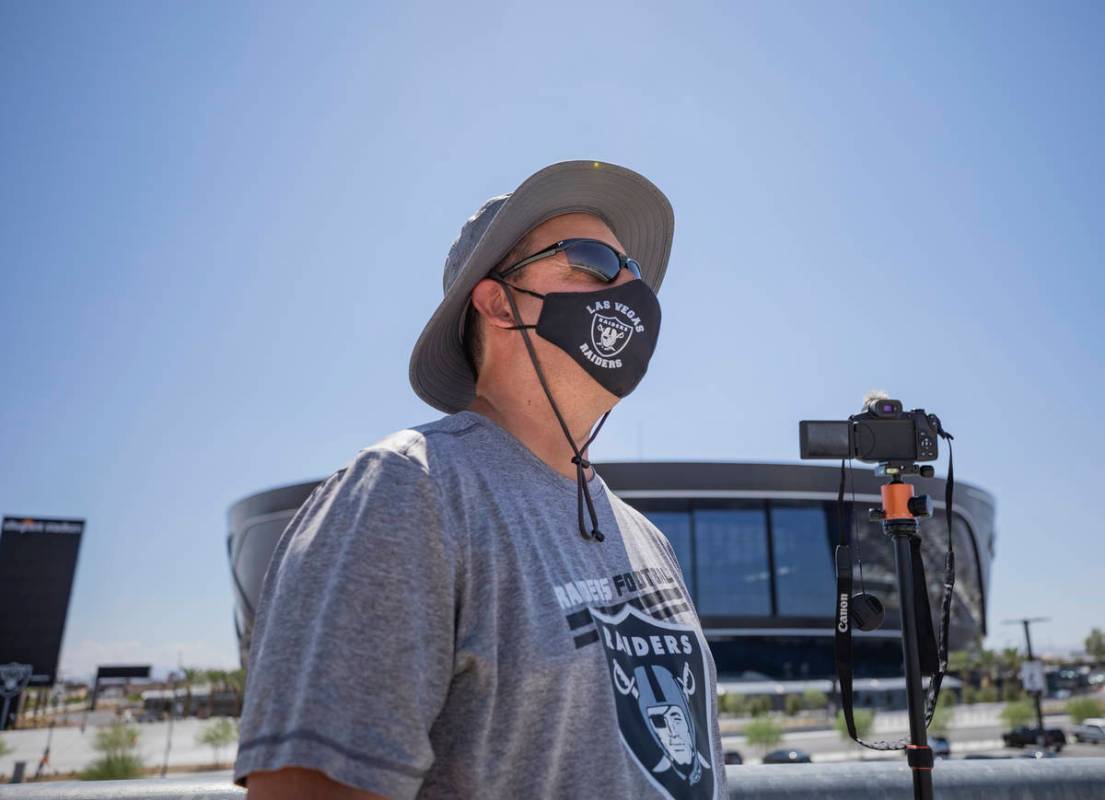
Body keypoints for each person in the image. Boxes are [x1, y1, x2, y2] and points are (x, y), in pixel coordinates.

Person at [235, 160, 725, 799]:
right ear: (497, 302)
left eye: (634, 273)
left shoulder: (643, 536)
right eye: (594, 261)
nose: (630, 290)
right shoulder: (407, 492)